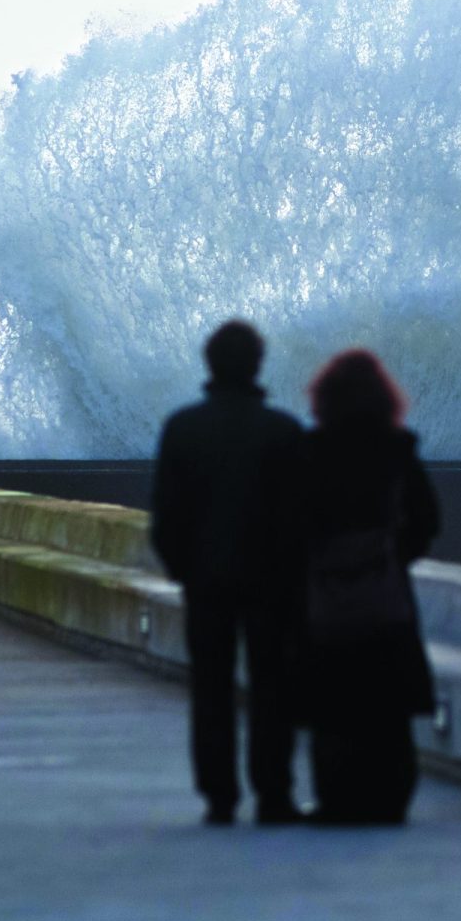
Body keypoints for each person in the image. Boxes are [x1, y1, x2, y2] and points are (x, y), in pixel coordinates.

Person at [149, 320, 307, 826]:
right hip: (270, 583)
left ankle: (219, 796)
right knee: (272, 686)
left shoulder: (183, 428)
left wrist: (183, 570)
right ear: (257, 365)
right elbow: (299, 517)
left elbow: (166, 515)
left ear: (209, 364)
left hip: (207, 580)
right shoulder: (282, 430)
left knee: (211, 688)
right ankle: (274, 794)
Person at [297, 348, 439, 825]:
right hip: (384, 595)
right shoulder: (397, 449)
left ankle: (337, 802)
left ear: (325, 399)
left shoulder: (311, 453)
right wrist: (394, 558)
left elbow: (287, 524)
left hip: (327, 599)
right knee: (387, 705)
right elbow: (427, 520)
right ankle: (392, 799)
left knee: (333, 705)